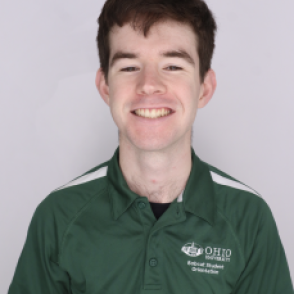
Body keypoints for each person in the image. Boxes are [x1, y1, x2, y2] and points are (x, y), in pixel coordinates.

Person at [8, 0, 293, 293]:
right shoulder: (58, 217)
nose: (149, 85)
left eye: (172, 66)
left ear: (204, 88)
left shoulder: (249, 218)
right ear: (106, 86)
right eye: (130, 66)